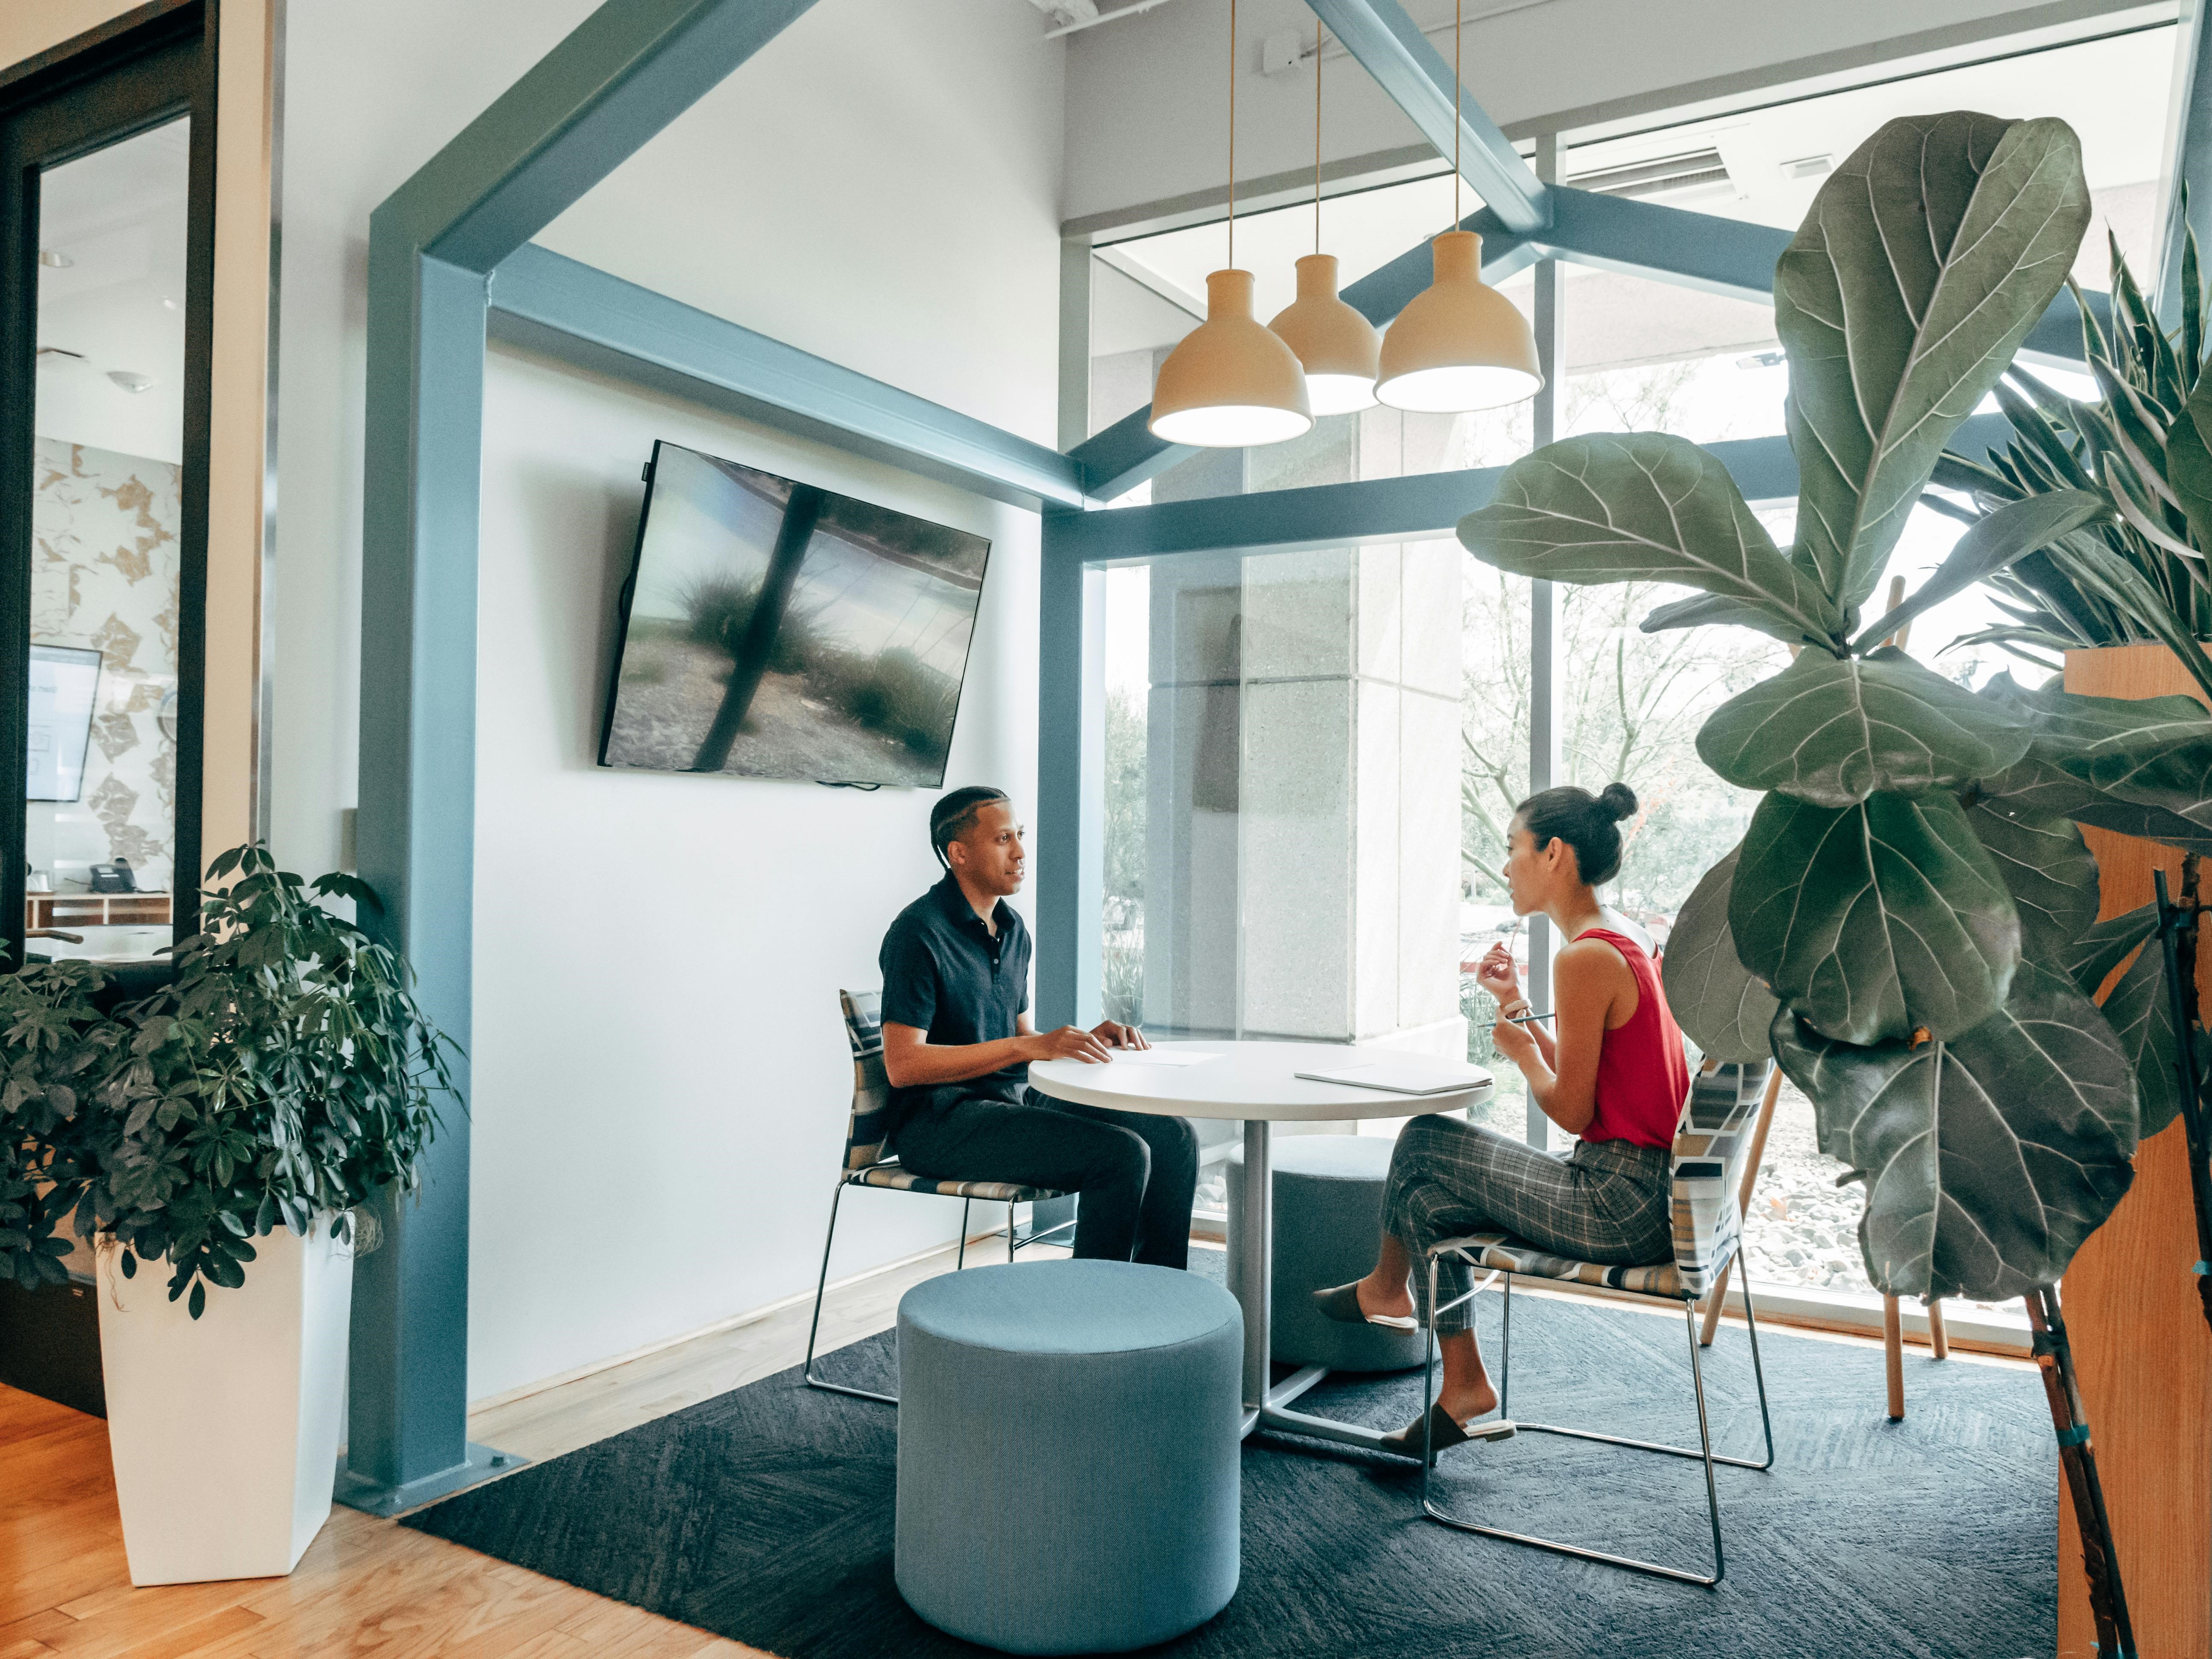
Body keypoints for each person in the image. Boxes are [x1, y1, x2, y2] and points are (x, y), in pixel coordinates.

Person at [1312, 781, 1687, 1459]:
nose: (1505, 866)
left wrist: (1518, 1053)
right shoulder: (1625, 939)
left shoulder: (1585, 957)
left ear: (1553, 853)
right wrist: (1518, 1011)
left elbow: (1571, 1109)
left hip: (1616, 1202)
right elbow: (1603, 1087)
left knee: (1424, 1136)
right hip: (1642, 1190)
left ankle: (1386, 1287)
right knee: (1426, 1195)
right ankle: (1465, 1385)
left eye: (1512, 848)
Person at [876, 785, 1199, 1268]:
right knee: (1120, 1154)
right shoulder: (918, 933)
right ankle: (1089, 1320)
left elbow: (1020, 1035)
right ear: (958, 853)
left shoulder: (1012, 928)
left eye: (1020, 835)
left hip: (1009, 1100)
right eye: (1004, 838)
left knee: (1173, 1136)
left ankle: (1160, 1299)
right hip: (941, 1122)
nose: (1021, 851)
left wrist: (1077, 1039)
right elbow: (903, 1065)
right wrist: (1025, 1049)